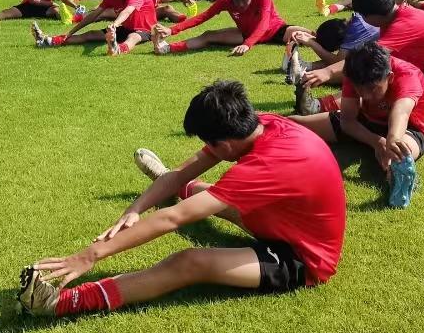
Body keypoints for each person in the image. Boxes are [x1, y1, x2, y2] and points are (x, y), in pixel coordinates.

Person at [17, 80, 346, 318]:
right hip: (283, 217)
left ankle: (59, 302)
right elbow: (180, 173)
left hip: (303, 258)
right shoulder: (262, 124)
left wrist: (91, 255)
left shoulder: (266, 165)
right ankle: (167, 188)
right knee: (206, 193)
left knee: (189, 262)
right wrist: (136, 208)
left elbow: (173, 218)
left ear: (223, 145)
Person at [290, 42, 424, 209]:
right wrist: (376, 142)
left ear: (390, 77)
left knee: (401, 152)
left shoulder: (408, 76)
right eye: (360, 90)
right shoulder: (355, 74)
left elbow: (401, 113)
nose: (366, 96)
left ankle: (399, 176)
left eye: (373, 89)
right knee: (297, 125)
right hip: (366, 121)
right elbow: (347, 120)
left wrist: (391, 140)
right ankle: (266, 121)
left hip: (408, 129)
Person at [300, 0, 424, 102]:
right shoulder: (395, 16)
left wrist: (327, 72)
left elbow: (366, 57)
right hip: (421, 69)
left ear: (373, 15)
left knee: (375, 81)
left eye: (363, 16)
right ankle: (309, 80)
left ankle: (319, 106)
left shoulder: (404, 24)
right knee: (366, 70)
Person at [153, 0, 306, 57]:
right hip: (245, 34)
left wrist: (247, 44)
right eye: (236, 0)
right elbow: (203, 17)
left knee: (308, 35)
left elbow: (264, 22)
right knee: (208, 35)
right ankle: (166, 48)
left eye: (244, 0)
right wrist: (171, 30)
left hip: (276, 30)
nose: (240, 4)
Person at [31, 0, 156, 55]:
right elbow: (94, 15)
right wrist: (71, 32)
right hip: (126, 27)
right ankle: (48, 41)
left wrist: (115, 24)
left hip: (146, 30)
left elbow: (127, 11)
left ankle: (117, 49)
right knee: (89, 35)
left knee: (133, 37)